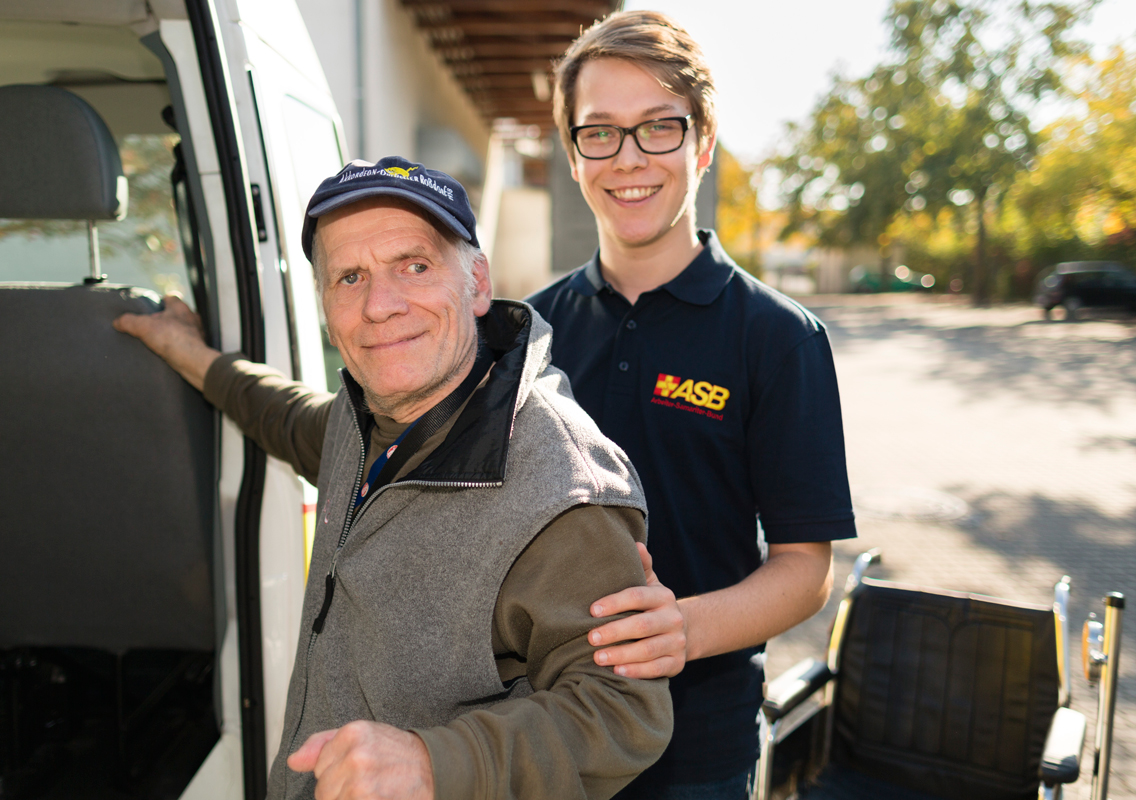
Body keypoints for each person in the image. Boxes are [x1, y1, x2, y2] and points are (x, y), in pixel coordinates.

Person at [114, 156, 673, 800]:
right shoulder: (366, 416)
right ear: (326, 307)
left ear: (478, 283)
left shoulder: (561, 485)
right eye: (349, 277)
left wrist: (435, 763)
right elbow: (285, 417)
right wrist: (190, 354)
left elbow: (623, 714)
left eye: (414, 265)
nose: (380, 305)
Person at [528, 11, 857, 798]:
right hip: (538, 730)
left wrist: (685, 630)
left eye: (658, 129)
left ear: (702, 145)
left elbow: (805, 569)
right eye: (599, 132)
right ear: (574, 157)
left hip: (696, 746)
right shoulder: (529, 334)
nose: (629, 159)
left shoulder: (780, 339)